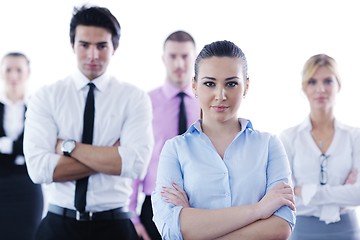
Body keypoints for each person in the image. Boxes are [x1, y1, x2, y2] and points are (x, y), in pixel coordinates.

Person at [23, 5, 153, 240]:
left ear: (115, 46)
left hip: (115, 226)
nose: (93, 55)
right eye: (84, 45)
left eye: (101, 46)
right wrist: (112, 156)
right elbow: (39, 169)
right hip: (57, 225)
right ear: (72, 45)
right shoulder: (46, 96)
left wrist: (68, 148)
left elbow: (136, 164)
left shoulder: (134, 98)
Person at [151, 40, 296, 239]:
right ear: (194, 86)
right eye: (210, 83)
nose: (221, 95)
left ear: (246, 86)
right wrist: (259, 210)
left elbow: (280, 228)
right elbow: (171, 228)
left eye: (231, 83)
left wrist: (197, 226)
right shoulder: (175, 149)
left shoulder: (269, 145)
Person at [279, 54, 360, 240]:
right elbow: (285, 196)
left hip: (346, 231)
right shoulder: (289, 138)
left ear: (338, 85)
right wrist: (340, 194)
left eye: (328, 81)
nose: (320, 89)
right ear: (304, 88)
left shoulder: (355, 137)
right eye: (312, 82)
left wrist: (305, 191)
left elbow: (358, 194)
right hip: (301, 231)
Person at [129, 30, 200, 240]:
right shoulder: (146, 103)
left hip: (200, 203)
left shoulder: (208, 103)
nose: (179, 64)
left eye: (185, 56)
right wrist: (132, 216)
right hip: (155, 204)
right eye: (173, 56)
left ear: (195, 59)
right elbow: (136, 157)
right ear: (163, 59)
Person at [0, 52, 44, 240]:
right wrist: (19, 147)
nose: (13, 75)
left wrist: (5, 145)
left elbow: (39, 145)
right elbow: (25, 146)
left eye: (19, 70)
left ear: (28, 73)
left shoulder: (38, 107)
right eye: (8, 69)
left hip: (28, 184)